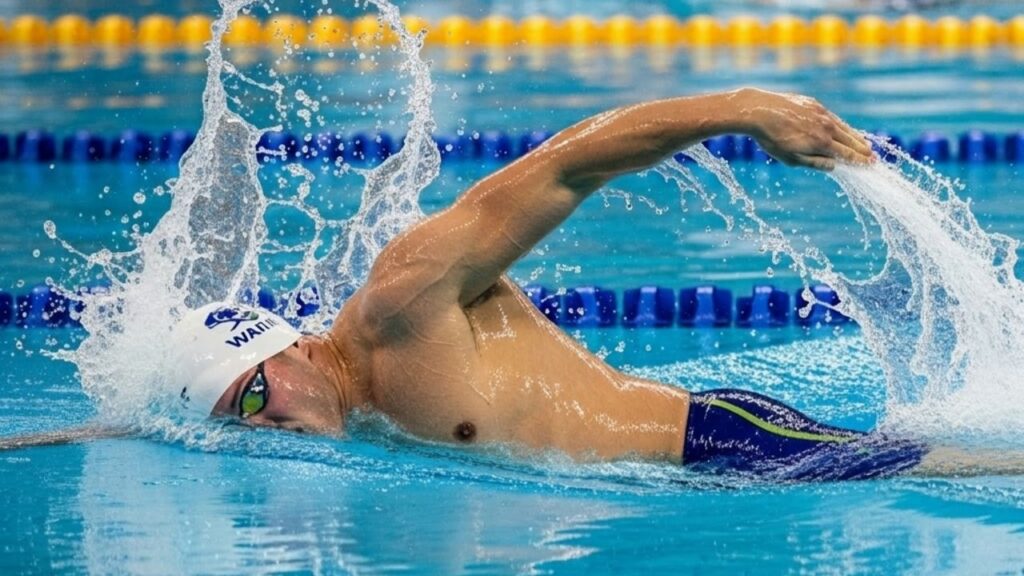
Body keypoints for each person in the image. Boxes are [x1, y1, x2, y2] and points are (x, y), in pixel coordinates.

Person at [2, 88, 1004, 479]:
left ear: (292, 346)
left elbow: (565, 165)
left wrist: (740, 110)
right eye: (236, 419)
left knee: (976, 474)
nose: (258, 423)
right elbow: (152, 421)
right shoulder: (328, 407)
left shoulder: (403, 301)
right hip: (670, 477)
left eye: (256, 395)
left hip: (725, 445)